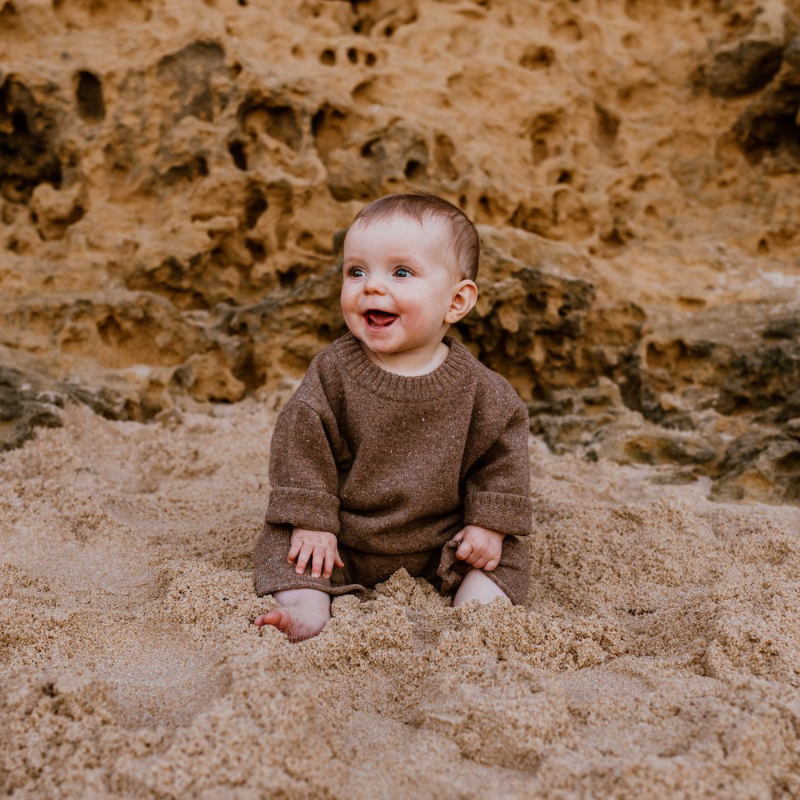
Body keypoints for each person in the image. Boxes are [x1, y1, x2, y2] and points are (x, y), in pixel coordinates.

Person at [253, 192, 532, 642]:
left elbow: (501, 459)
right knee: (289, 548)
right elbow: (301, 443)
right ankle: (306, 609)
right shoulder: (332, 373)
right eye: (356, 271)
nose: (371, 287)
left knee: (504, 556)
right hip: (343, 539)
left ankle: (477, 613)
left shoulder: (484, 391)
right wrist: (312, 521)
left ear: (456, 301)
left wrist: (489, 524)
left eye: (401, 272)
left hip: (445, 542)